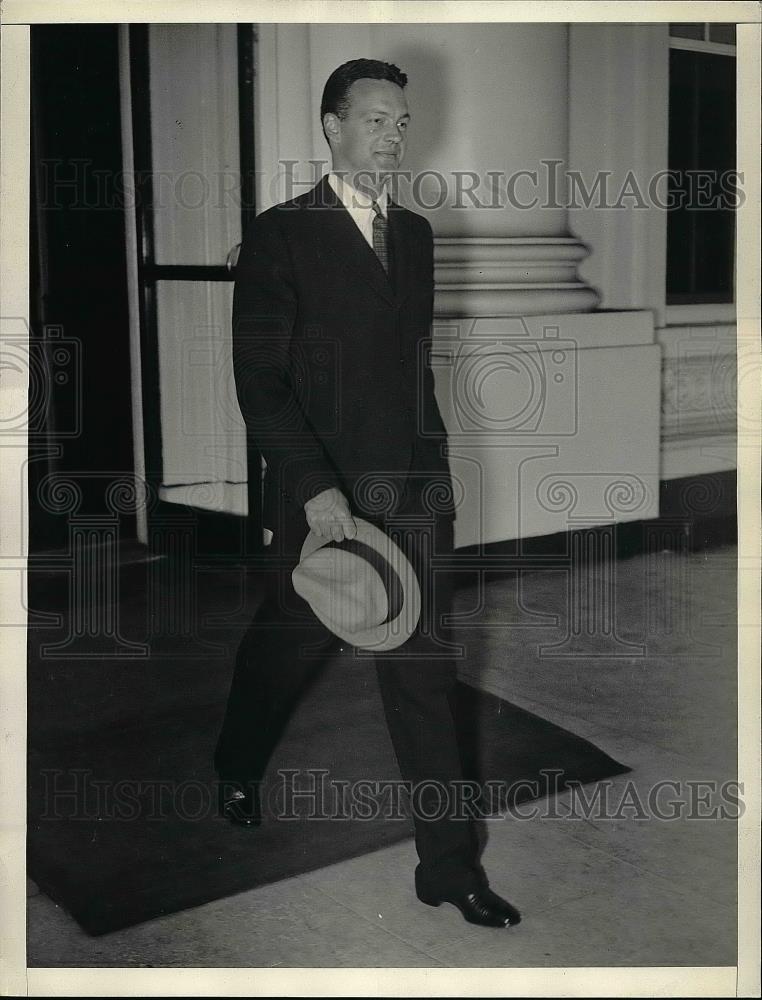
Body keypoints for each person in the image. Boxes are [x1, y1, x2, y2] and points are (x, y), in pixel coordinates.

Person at [214, 58, 520, 928]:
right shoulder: (280, 236)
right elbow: (260, 383)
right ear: (331, 126)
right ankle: (237, 762)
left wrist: (435, 477)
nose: (392, 135)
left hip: (413, 491)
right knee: (286, 647)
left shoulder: (417, 233)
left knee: (424, 670)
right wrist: (314, 490)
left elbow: (407, 371)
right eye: (375, 119)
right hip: (323, 498)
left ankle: (448, 866)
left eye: (401, 122)